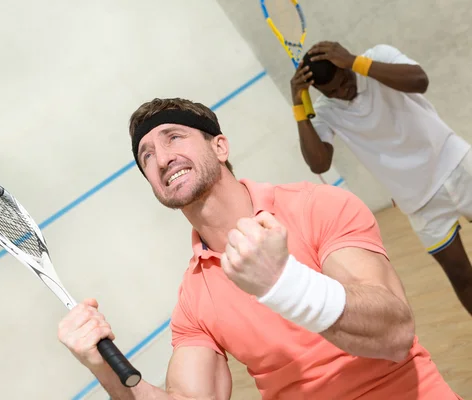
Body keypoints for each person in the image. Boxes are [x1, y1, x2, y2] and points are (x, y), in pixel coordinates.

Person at [57, 98, 461, 399]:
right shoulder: (194, 297)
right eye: (146, 156)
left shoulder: (318, 206)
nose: (162, 158)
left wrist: (283, 283)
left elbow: (394, 333)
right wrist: (103, 367)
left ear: (220, 147)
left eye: (173, 137)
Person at [290, 40, 472, 316]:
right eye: (332, 91)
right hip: (419, 202)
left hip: (457, 166)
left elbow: (419, 80)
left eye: (344, 80)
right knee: (461, 276)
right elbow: (319, 162)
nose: (343, 91)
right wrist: (298, 107)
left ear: (345, 63)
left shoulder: (376, 58)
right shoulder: (326, 110)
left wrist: (355, 63)